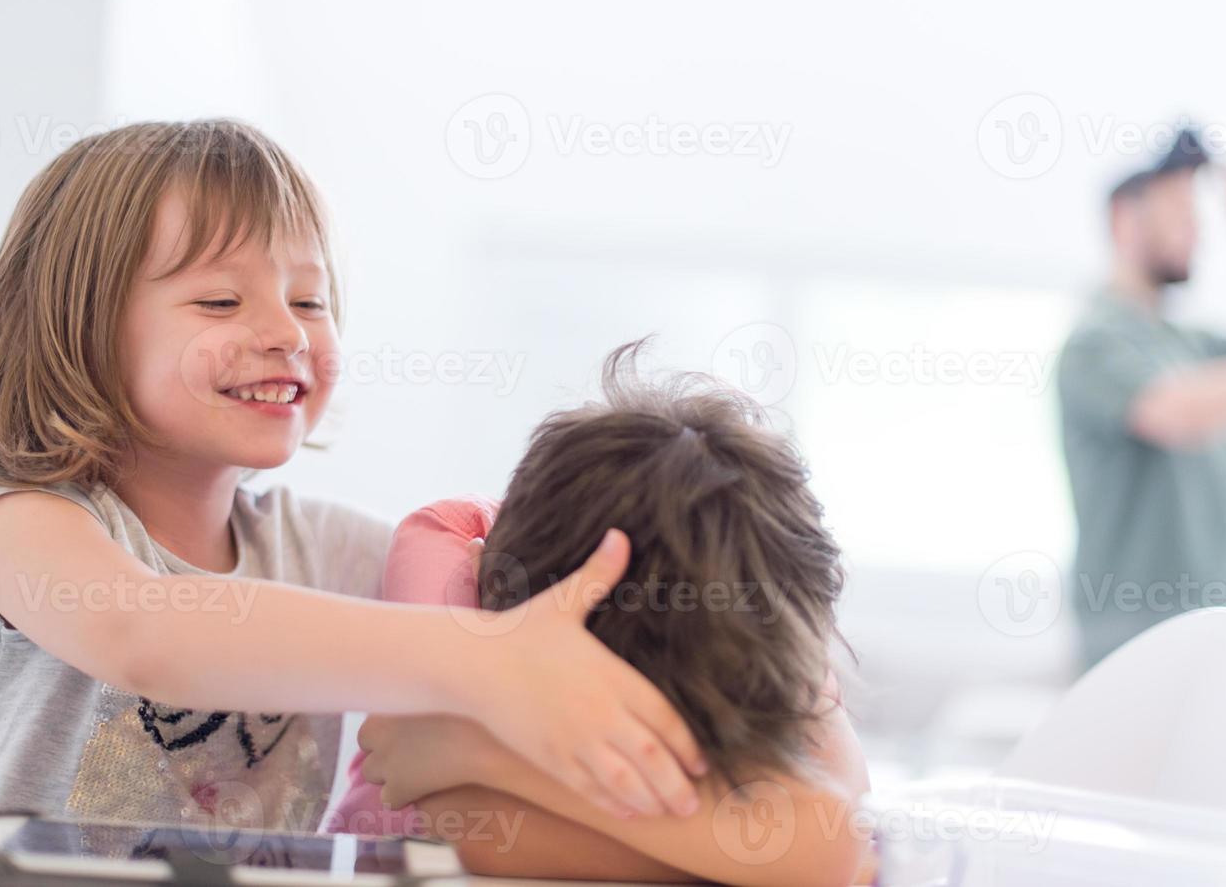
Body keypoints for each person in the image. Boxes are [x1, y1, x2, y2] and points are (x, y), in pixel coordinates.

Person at [0, 120, 707, 833]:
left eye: (311, 301)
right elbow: (144, 636)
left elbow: (529, 595)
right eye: (220, 301)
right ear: (78, 331)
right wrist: (482, 651)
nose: (286, 332)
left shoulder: (322, 547)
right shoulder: (16, 522)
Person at [335, 342, 873, 887]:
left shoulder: (766, 630)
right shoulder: (458, 555)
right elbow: (458, 819)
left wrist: (481, 753)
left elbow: (832, 836)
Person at [1058, 129, 1226, 668]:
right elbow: (1178, 412)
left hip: (1225, 652)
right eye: (1180, 211)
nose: (1197, 230)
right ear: (1126, 219)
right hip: (1143, 661)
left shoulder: (1186, 342)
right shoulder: (1093, 343)